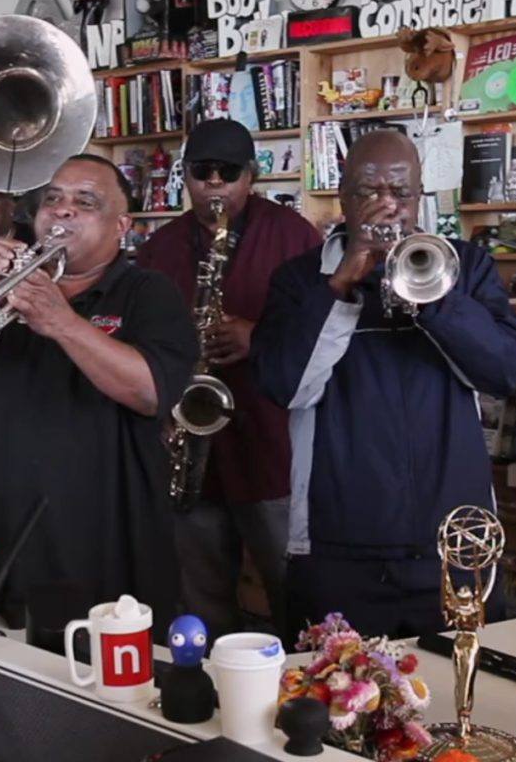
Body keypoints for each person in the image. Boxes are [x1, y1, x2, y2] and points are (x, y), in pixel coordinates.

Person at [251, 130, 516, 639]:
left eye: (401, 194)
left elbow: (505, 371)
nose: (386, 207)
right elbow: (283, 386)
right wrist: (339, 286)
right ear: (343, 197)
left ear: (419, 197)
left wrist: (434, 297)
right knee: (339, 702)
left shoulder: (465, 267)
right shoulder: (299, 280)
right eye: (368, 192)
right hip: (338, 548)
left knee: (466, 698)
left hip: (455, 542)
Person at [0, 154, 197, 627]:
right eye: (52, 199)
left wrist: (62, 323)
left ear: (121, 225)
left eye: (85, 202)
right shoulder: (9, 286)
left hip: (100, 542)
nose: (62, 211)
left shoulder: (149, 292)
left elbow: (150, 391)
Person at [136, 119, 321, 640]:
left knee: (292, 587)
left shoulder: (295, 235)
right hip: (190, 450)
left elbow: (324, 333)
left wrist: (255, 336)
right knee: (199, 593)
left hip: (269, 444)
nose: (214, 183)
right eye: (201, 171)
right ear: (185, 176)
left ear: (252, 176)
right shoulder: (160, 248)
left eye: (228, 172)